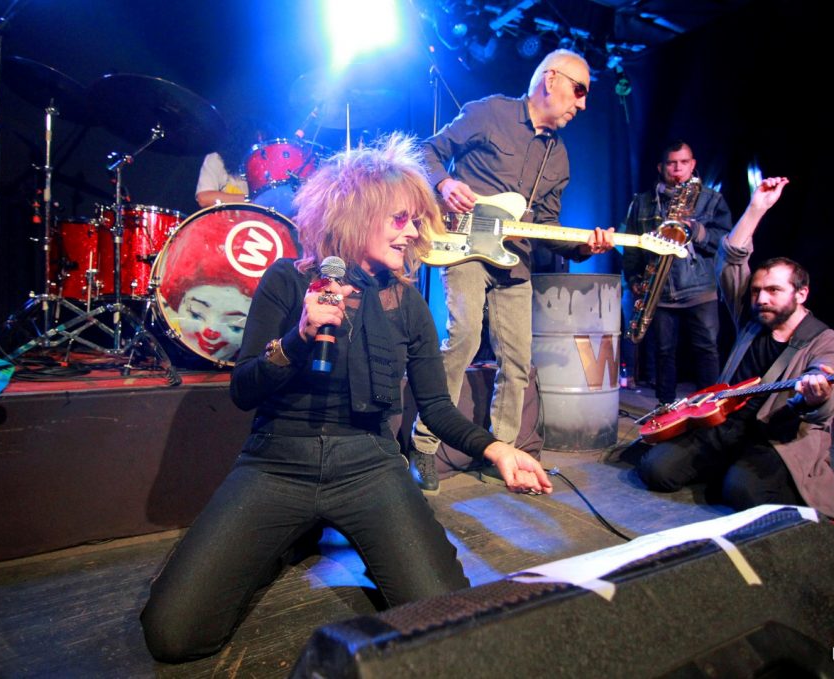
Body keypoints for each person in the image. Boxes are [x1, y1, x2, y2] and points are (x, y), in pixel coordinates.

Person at [140, 134, 554, 663]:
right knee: (174, 635)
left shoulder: (408, 305)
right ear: (356, 212)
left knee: (447, 621)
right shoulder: (287, 281)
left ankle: (321, 527)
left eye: (416, 222)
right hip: (277, 462)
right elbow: (244, 389)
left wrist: (496, 449)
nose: (413, 233)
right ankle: (290, 532)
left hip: (368, 465)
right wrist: (297, 340)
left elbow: (436, 408)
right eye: (400, 219)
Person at [409, 48, 614, 494]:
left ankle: (501, 450)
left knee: (518, 359)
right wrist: (445, 183)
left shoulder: (559, 157)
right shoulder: (490, 113)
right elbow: (426, 151)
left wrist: (585, 245)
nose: (582, 104)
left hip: (515, 259)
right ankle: (423, 444)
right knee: (464, 338)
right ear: (551, 80)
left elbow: (548, 226)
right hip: (464, 248)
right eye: (579, 91)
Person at [637, 177, 834, 521]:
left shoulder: (827, 341)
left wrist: (818, 395)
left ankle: (737, 475)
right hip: (724, 424)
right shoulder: (752, 319)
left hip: (775, 439)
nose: (761, 298)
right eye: (756, 291)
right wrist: (756, 208)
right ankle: (724, 467)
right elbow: (732, 259)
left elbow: (828, 403)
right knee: (656, 470)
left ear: (801, 294)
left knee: (742, 492)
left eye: (773, 290)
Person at [621, 140, 732, 405]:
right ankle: (665, 408)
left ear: (693, 165)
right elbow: (632, 246)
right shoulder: (642, 202)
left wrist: (695, 230)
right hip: (659, 288)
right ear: (661, 167)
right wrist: (634, 278)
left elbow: (726, 241)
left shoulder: (711, 199)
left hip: (700, 288)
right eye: (671, 163)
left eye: (684, 162)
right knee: (663, 352)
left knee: (706, 349)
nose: (678, 168)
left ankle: (709, 407)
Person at [194, 117, 266, 208]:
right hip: (226, 217)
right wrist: (252, 200)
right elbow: (204, 198)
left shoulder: (265, 168)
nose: (260, 144)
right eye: (256, 139)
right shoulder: (217, 159)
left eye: (263, 139)